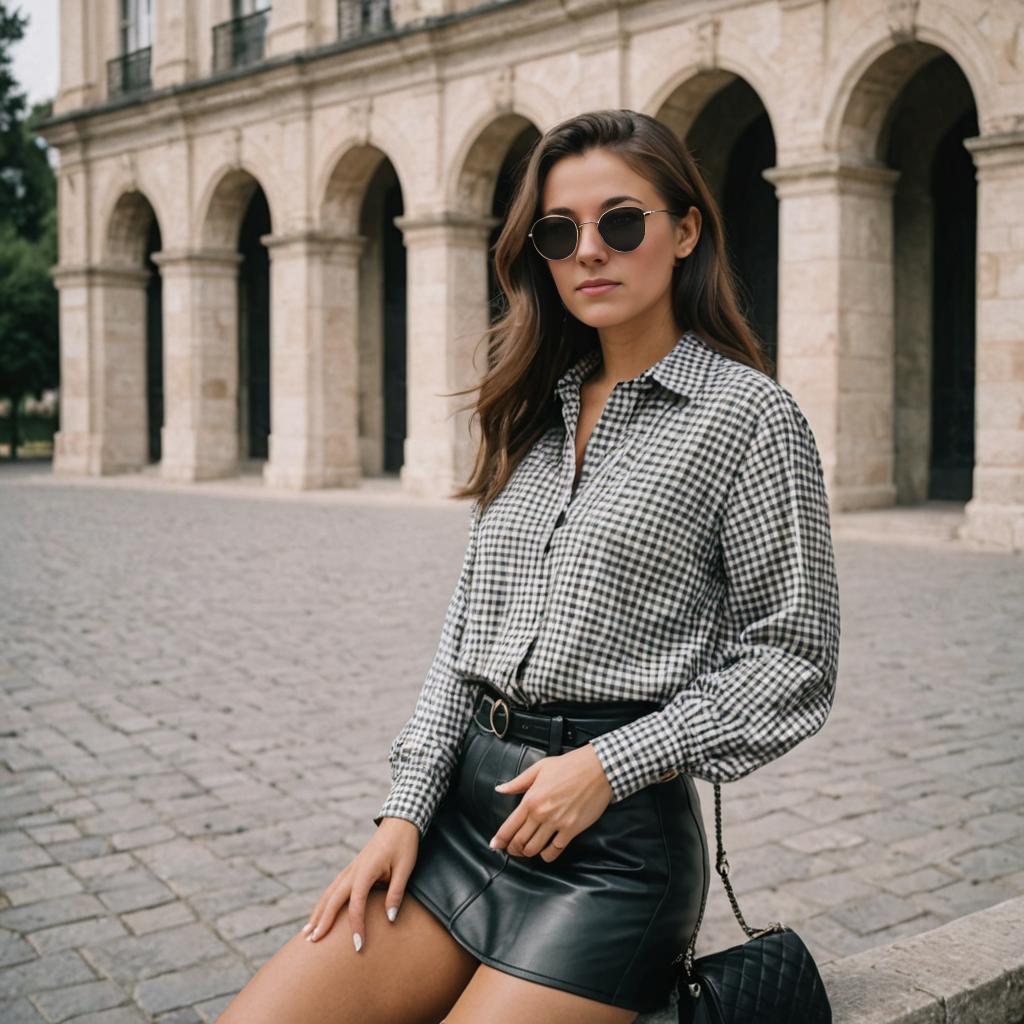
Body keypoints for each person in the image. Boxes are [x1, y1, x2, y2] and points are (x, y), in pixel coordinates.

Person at [217, 108, 841, 1024]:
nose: (590, 249)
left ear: (685, 231)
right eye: (560, 232)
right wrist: (403, 811)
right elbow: (462, 638)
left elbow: (796, 659)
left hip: (610, 854)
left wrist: (612, 763)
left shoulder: (750, 419)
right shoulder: (530, 413)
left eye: (620, 222)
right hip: (464, 826)